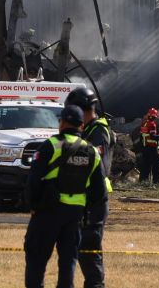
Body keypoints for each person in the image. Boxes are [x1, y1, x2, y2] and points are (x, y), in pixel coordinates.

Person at [24, 105, 107, 288]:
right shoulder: (92, 151)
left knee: (36, 259)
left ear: (61, 123)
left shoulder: (51, 146)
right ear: (82, 126)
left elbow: (34, 180)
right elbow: (99, 192)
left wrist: (32, 205)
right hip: (75, 215)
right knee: (68, 262)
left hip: (47, 212)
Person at [65, 87, 113, 288]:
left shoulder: (99, 131)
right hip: (81, 195)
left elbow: (92, 161)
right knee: (80, 245)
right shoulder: (88, 130)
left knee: (90, 246)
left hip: (95, 196)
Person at [138, 108, 159, 184]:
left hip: (145, 148)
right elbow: (153, 136)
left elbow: (141, 137)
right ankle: (156, 182)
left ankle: (143, 181)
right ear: (155, 116)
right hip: (152, 148)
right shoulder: (152, 124)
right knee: (156, 166)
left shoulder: (144, 124)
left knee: (146, 166)